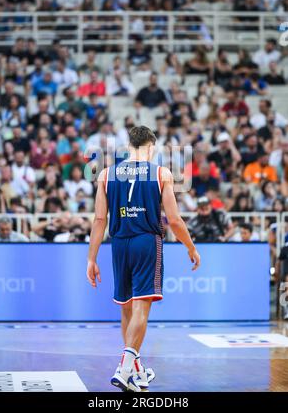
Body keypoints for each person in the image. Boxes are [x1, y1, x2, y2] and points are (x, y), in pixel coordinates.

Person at [86, 125, 200, 391]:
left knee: (126, 306)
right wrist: (191, 247)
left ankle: (136, 370)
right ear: (151, 146)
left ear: (129, 146)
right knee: (141, 308)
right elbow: (173, 219)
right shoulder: (161, 173)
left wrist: (91, 259)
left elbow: (100, 219)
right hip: (146, 241)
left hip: (119, 243)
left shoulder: (105, 174)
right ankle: (125, 368)